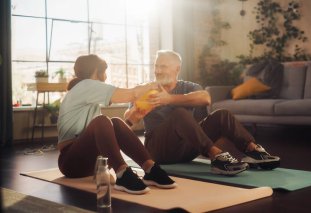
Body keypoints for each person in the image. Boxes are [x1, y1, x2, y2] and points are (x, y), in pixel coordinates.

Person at [124, 50, 280, 176]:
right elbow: (128, 119)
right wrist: (134, 114)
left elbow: (205, 98)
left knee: (222, 115)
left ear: (177, 69)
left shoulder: (188, 86)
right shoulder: (146, 88)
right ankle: (216, 157)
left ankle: (253, 151)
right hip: (158, 150)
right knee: (180, 114)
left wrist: (169, 99)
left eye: (163, 66)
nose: (157, 70)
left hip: (187, 148)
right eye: (156, 66)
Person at [57, 54, 176, 195]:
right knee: (102, 120)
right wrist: (154, 85)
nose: (106, 76)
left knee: (115, 122)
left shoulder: (87, 92)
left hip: (93, 162)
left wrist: (131, 120)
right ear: (96, 71)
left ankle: (150, 168)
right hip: (71, 163)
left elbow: (109, 134)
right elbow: (132, 94)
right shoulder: (85, 86)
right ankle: (122, 174)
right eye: (104, 72)